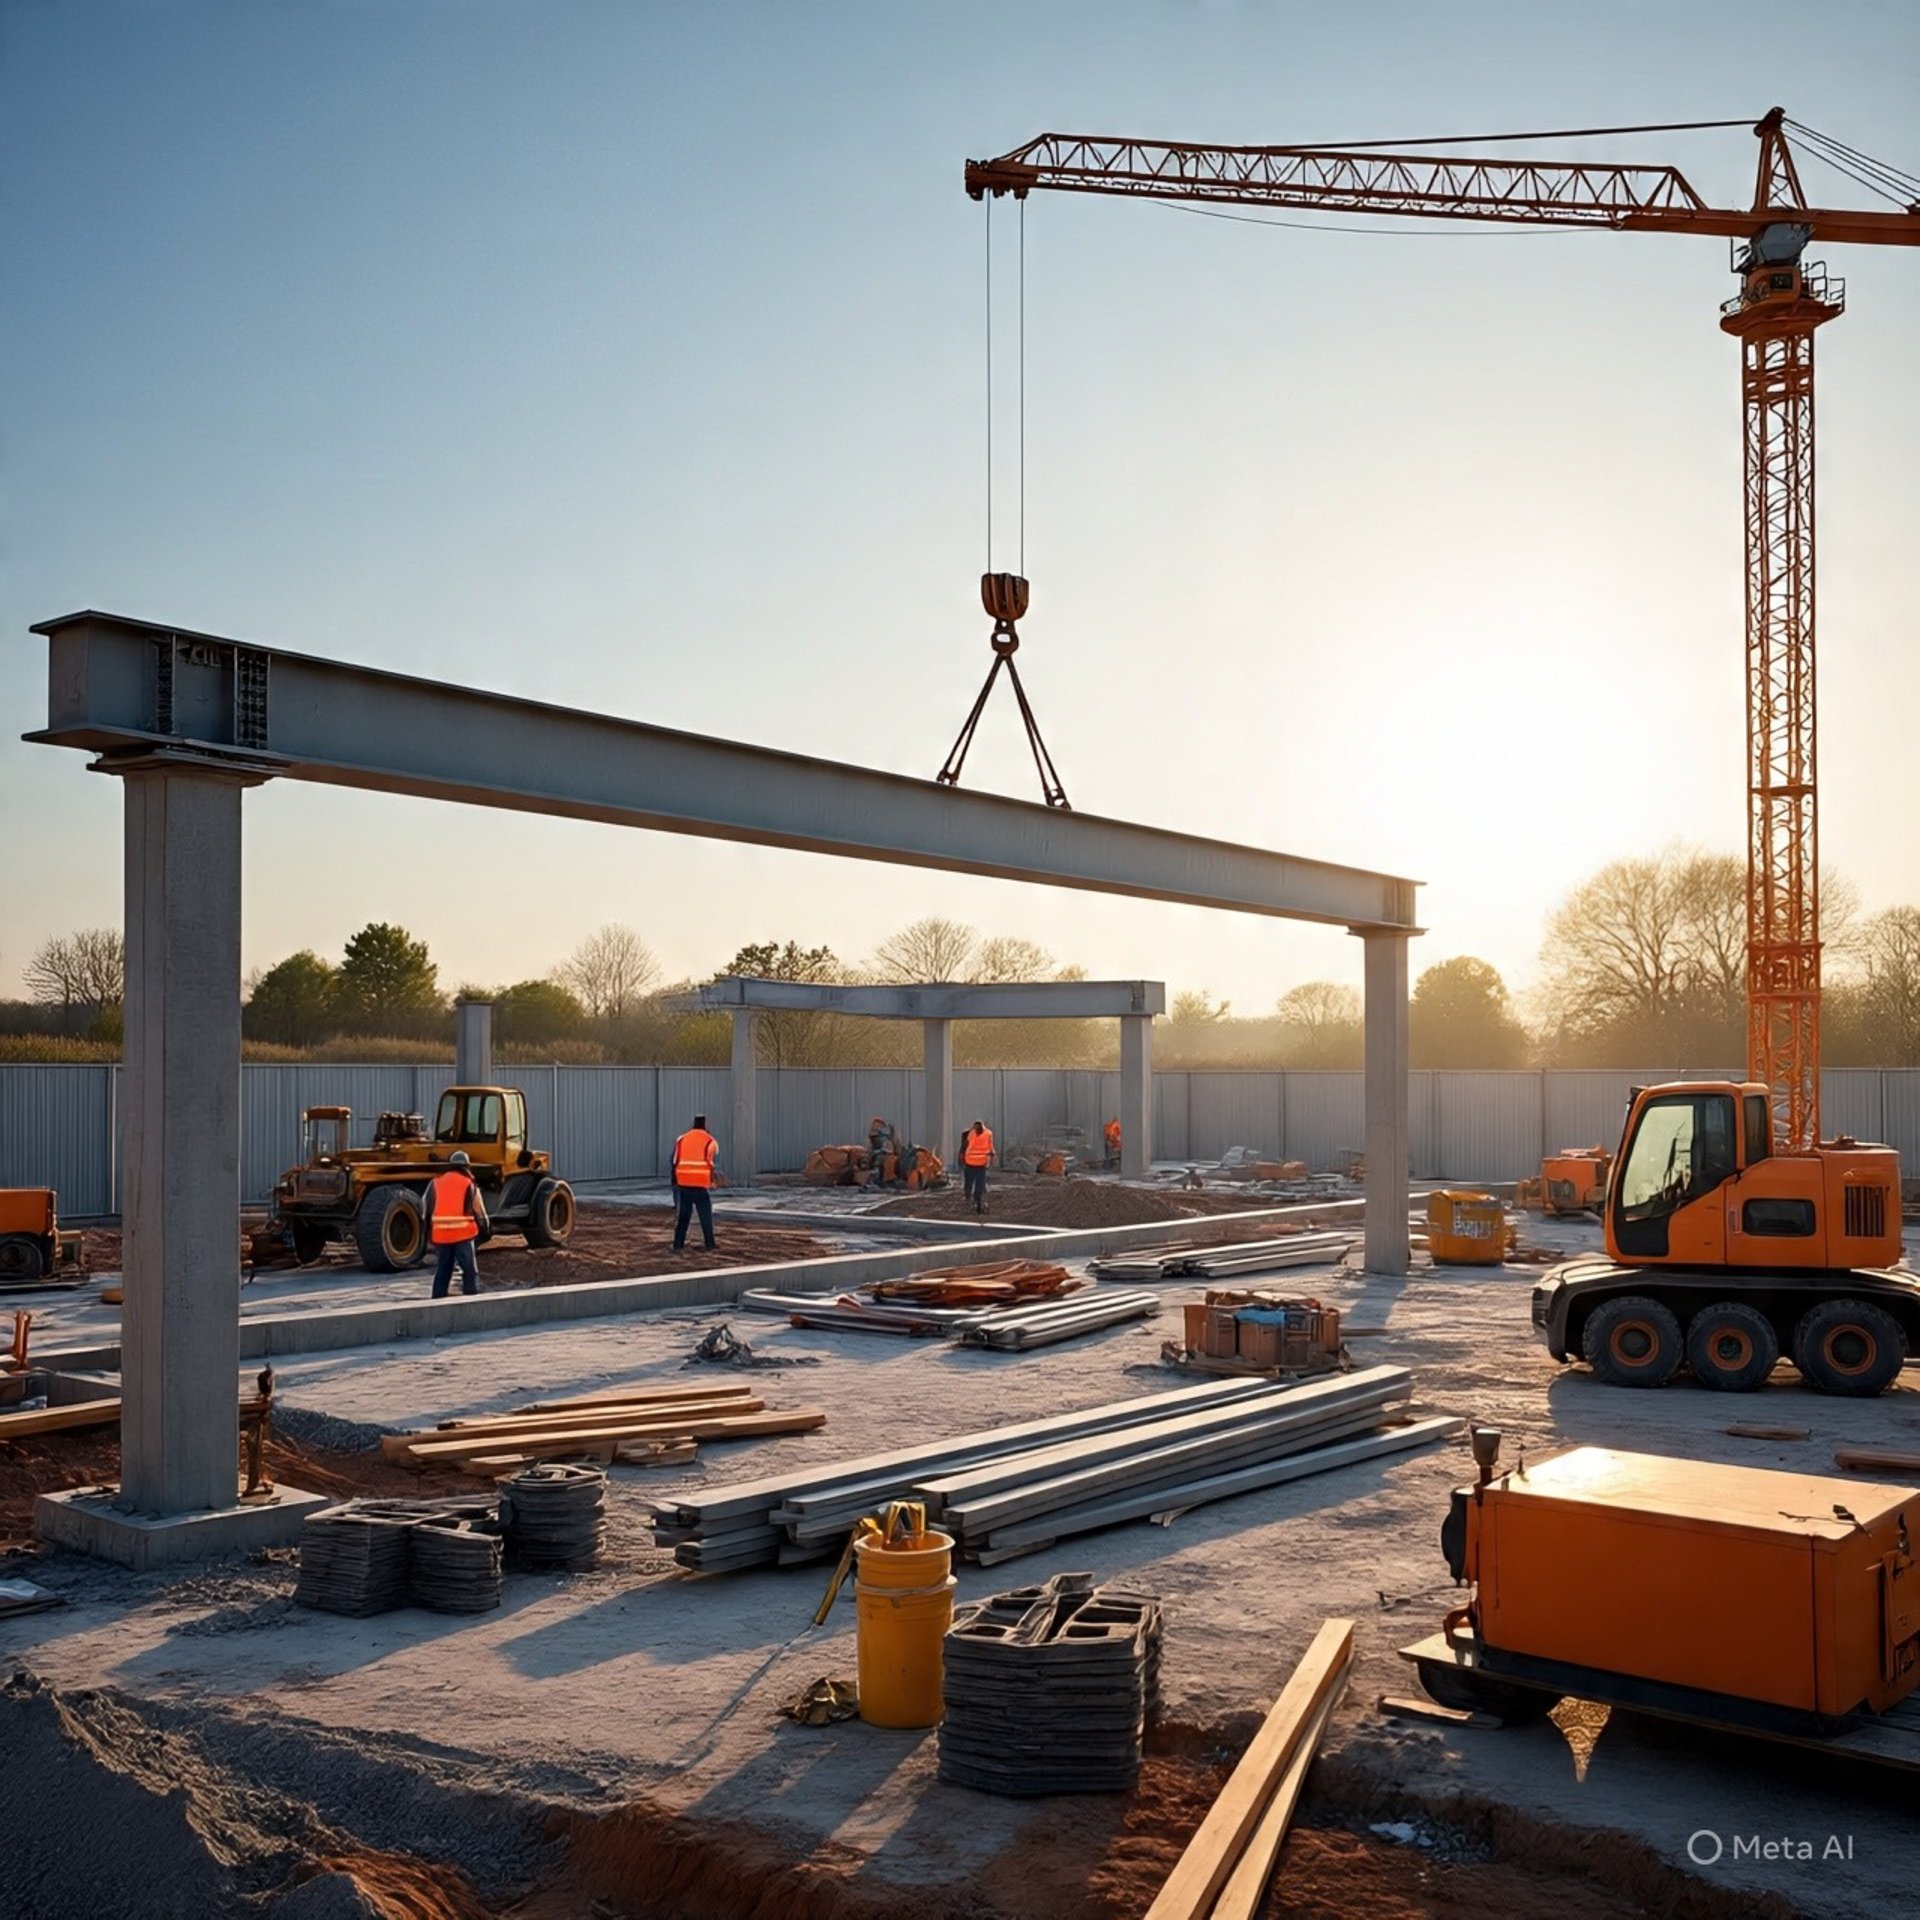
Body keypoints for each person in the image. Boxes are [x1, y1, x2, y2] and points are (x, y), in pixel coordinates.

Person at [427, 1149, 488, 1298]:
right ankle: (471, 1300)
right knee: (469, 1270)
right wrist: (486, 1227)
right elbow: (478, 1208)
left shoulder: (436, 1183)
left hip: (441, 1235)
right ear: (466, 1166)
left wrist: (427, 1231)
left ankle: (437, 1299)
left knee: (443, 1269)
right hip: (463, 1235)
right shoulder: (469, 1183)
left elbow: (426, 1208)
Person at [671, 1112, 721, 1251]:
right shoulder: (710, 1140)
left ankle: (678, 1244)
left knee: (683, 1216)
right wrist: (712, 1181)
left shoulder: (682, 1139)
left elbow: (675, 1161)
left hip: (684, 1183)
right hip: (700, 1184)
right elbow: (711, 1162)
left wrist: (675, 1181)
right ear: (705, 1125)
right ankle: (710, 1244)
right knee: (705, 1215)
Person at [960, 1118, 994, 1215]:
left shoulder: (969, 1133)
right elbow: (991, 1148)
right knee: (980, 1183)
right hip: (982, 1163)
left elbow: (964, 1147)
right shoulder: (988, 1133)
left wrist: (962, 1158)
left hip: (970, 1162)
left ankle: (969, 1198)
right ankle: (979, 1201)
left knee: (969, 1182)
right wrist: (992, 1155)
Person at [867, 1115, 897, 1187]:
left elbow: (891, 1146)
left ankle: (884, 1180)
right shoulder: (874, 1136)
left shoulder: (885, 1136)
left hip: (883, 1154)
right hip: (877, 1155)